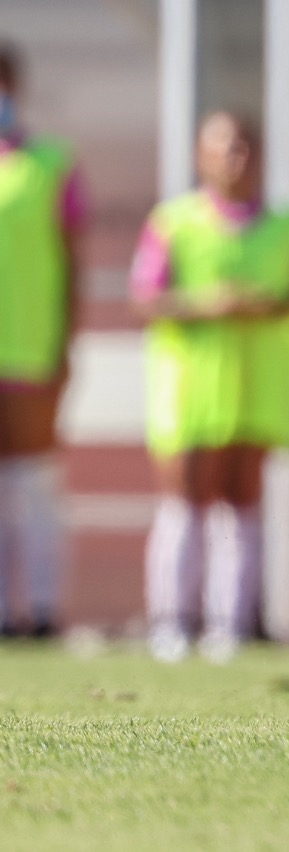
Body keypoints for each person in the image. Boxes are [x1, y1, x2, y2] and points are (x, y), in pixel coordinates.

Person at [132, 112, 289, 663]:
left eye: (244, 148)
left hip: (256, 384)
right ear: (200, 156)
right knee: (185, 499)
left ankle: (230, 626)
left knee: (242, 503)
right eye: (222, 148)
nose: (233, 159)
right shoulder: (174, 221)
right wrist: (206, 305)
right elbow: (146, 297)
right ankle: (171, 622)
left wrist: (269, 304)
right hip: (190, 384)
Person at [0, 41, 83, 638]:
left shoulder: (52, 163)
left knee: (34, 486)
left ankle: (45, 612)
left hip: (29, 350)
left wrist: (65, 347)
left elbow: (73, 262)